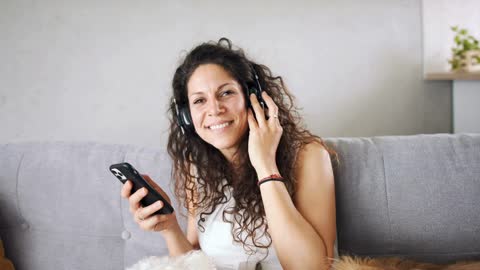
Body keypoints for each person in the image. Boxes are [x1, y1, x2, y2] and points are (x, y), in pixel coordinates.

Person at [121, 38, 336, 270]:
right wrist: (169, 227)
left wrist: (265, 166)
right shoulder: (197, 166)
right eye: (200, 100)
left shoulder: (307, 156)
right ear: (186, 117)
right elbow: (196, 263)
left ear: (253, 97)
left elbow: (313, 267)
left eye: (226, 93)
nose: (214, 109)